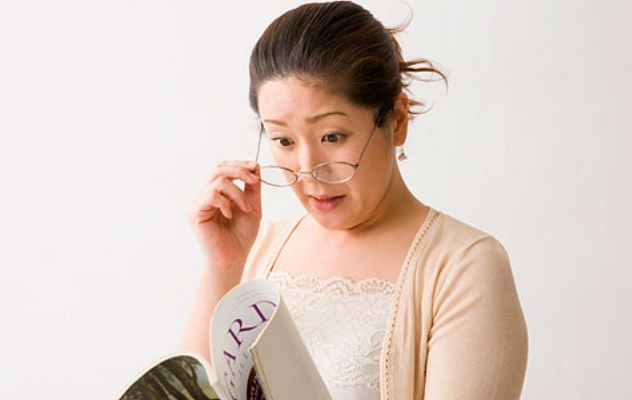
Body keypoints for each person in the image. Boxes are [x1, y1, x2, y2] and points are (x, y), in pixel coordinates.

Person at [180, 1, 528, 399]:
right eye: (283, 140)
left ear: (397, 120)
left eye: (332, 136)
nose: (309, 170)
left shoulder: (463, 266)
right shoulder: (257, 249)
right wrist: (224, 268)